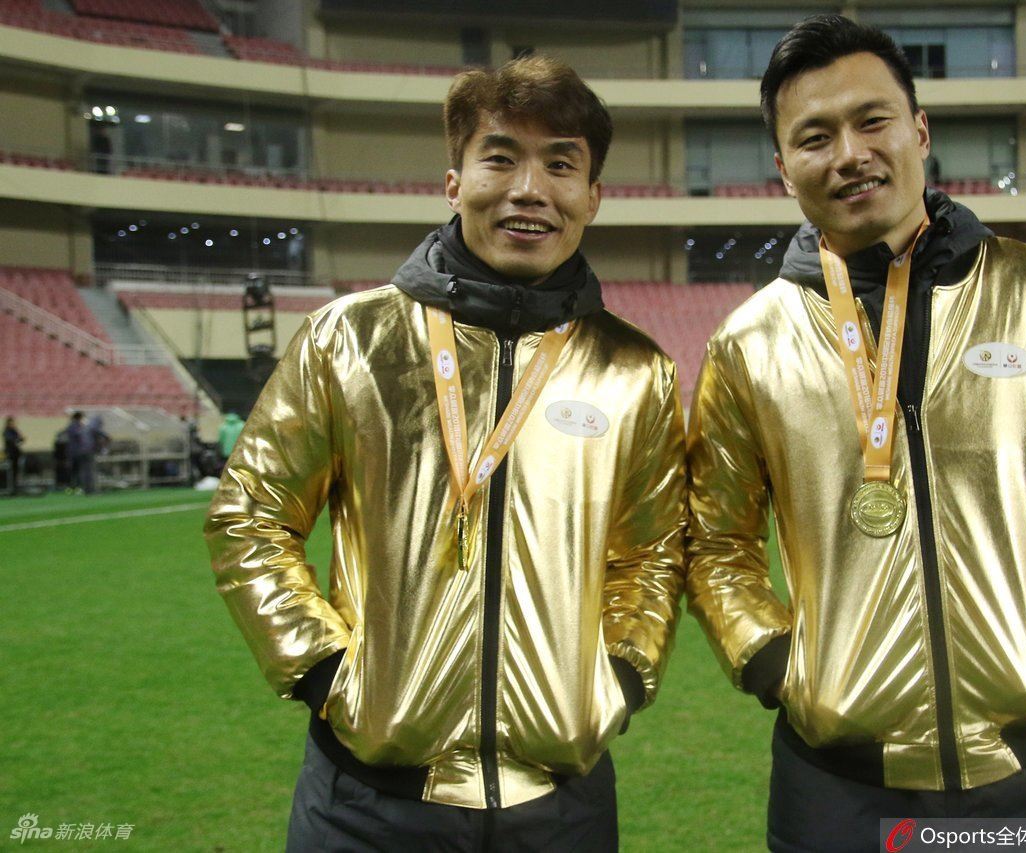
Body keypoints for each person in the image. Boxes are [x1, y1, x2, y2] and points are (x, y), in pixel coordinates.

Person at [685, 16, 1026, 851]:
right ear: (784, 167)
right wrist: (770, 657)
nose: (849, 153)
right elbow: (713, 537)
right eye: (815, 137)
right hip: (836, 786)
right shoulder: (748, 345)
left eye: (871, 120)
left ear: (918, 129)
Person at [205, 56, 686, 852]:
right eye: (501, 158)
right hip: (366, 803)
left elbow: (653, 552)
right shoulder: (346, 341)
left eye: (560, 164)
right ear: (455, 182)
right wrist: (323, 670)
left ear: (592, 196)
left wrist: (623, 674)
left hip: (562, 806)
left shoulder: (635, 371)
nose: (529, 189)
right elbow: (249, 517)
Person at [65, 411, 96, 494]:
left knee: (76, 470)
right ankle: (76, 487)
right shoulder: (74, 426)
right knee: (78, 470)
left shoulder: (75, 426)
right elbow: (79, 436)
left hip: (76, 451)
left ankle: (76, 487)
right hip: (77, 452)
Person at [4, 416, 23, 496]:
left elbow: (21, 439)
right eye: (12, 423)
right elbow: (11, 440)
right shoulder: (6, 431)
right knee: (10, 472)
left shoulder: (15, 431)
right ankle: (10, 488)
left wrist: (18, 439)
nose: (13, 424)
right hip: (10, 454)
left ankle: (15, 488)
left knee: (16, 471)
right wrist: (17, 440)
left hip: (16, 454)